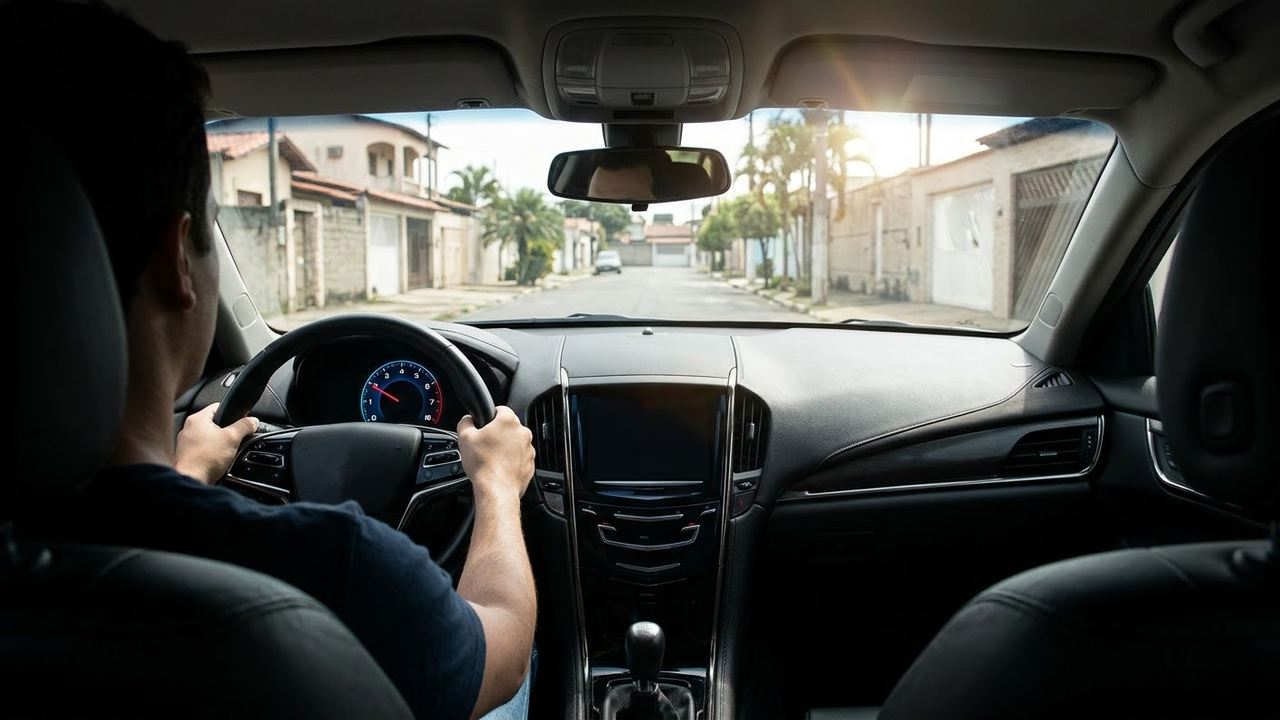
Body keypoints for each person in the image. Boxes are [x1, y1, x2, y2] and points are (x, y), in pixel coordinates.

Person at [0, 3, 536, 720]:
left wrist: (181, 475)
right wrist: (498, 484)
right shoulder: (341, 571)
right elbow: (496, 652)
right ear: (178, 261)